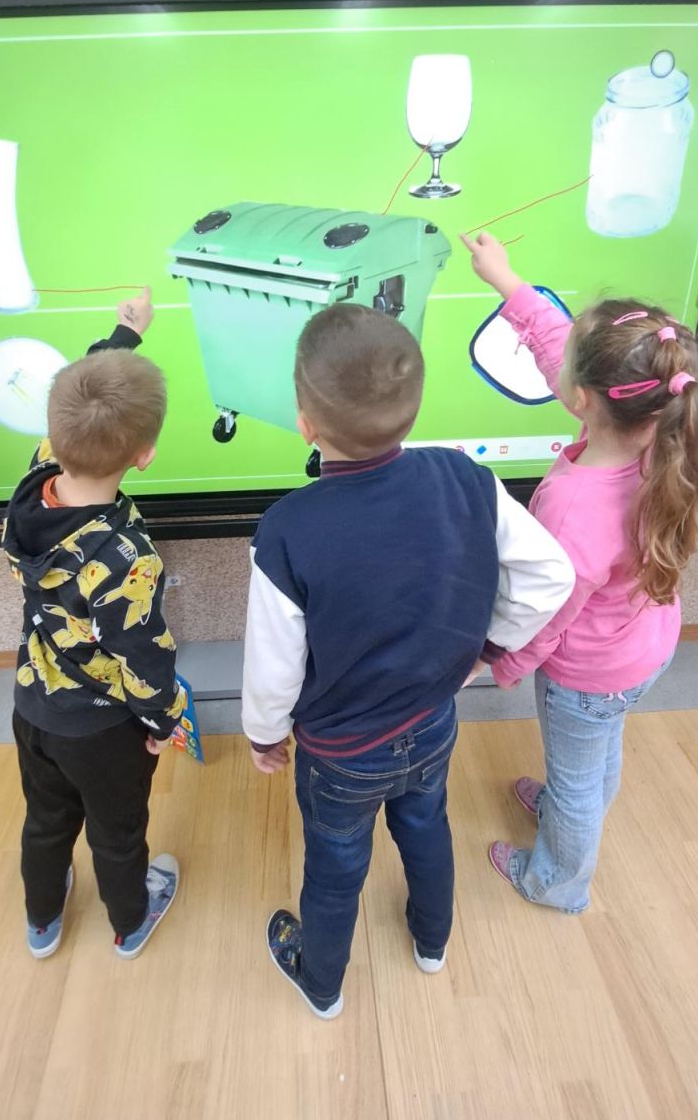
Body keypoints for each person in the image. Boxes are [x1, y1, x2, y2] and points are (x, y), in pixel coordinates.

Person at [242, 301, 575, 1018]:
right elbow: (552, 575)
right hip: (432, 723)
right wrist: (491, 646)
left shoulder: (287, 529)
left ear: (305, 422)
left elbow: (272, 668)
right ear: (414, 410)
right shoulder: (464, 477)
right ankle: (432, 942)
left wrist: (264, 734)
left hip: (340, 753)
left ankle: (322, 983)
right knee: (426, 829)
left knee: (336, 866)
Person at [463, 231, 698, 912]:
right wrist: (508, 283)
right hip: (642, 649)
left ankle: (555, 883)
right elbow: (564, 350)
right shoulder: (657, 434)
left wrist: (501, 663)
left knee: (579, 777)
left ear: (580, 398)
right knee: (598, 752)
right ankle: (565, 806)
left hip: (587, 674)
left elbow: (549, 610)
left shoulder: (575, 507)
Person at [3, 288, 186, 960]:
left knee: (46, 819)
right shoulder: (126, 558)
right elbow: (144, 656)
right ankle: (130, 920)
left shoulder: (35, 481)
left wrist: (122, 336)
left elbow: (77, 401)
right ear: (144, 455)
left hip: (33, 704)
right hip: (102, 728)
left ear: (54, 438)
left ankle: (42, 919)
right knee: (117, 832)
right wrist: (162, 722)